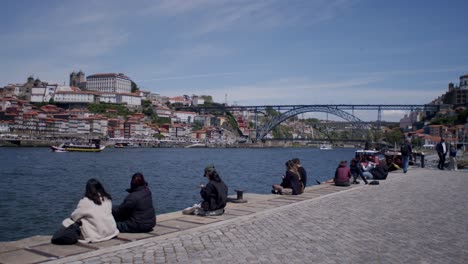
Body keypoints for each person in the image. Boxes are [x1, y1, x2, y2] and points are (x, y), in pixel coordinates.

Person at [53, 178, 119, 244]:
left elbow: (74, 217)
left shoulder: (85, 202)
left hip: (97, 235)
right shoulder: (107, 199)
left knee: (69, 222)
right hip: (111, 231)